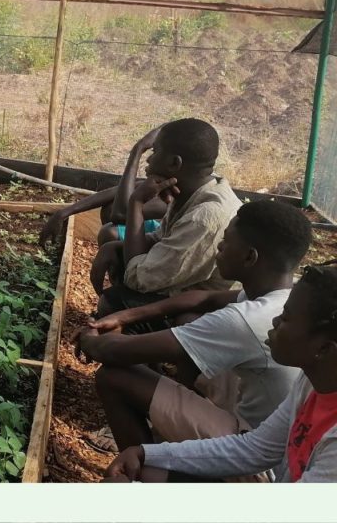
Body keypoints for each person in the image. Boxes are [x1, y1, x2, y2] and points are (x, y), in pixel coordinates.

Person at [77, 200, 311, 472]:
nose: (219, 247)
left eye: (226, 241)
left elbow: (116, 352)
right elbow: (205, 298)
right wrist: (124, 316)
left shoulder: (246, 320)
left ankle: (143, 473)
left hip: (255, 454)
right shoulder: (282, 295)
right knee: (190, 328)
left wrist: (89, 335)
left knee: (114, 377)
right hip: (264, 430)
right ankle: (167, 436)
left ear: (250, 257)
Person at [105, 264, 337, 483]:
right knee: (146, 471)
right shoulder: (310, 382)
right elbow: (255, 449)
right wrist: (147, 453)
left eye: (286, 318)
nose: (275, 320)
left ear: (324, 348)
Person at [90, 118, 241, 332]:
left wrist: (136, 203)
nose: (149, 160)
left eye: (155, 152)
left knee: (113, 302)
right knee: (115, 247)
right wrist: (113, 247)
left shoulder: (204, 217)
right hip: (185, 289)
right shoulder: (196, 188)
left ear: (174, 163)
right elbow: (161, 241)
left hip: (208, 311)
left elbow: (138, 279)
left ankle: (139, 354)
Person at [39, 127, 167, 248]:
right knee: (110, 207)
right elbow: (112, 193)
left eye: (155, 152)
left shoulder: (171, 201)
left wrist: (137, 150)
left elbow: (119, 214)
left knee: (110, 230)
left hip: (159, 253)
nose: (149, 159)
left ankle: (125, 269)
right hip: (148, 236)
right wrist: (62, 213)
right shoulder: (155, 185)